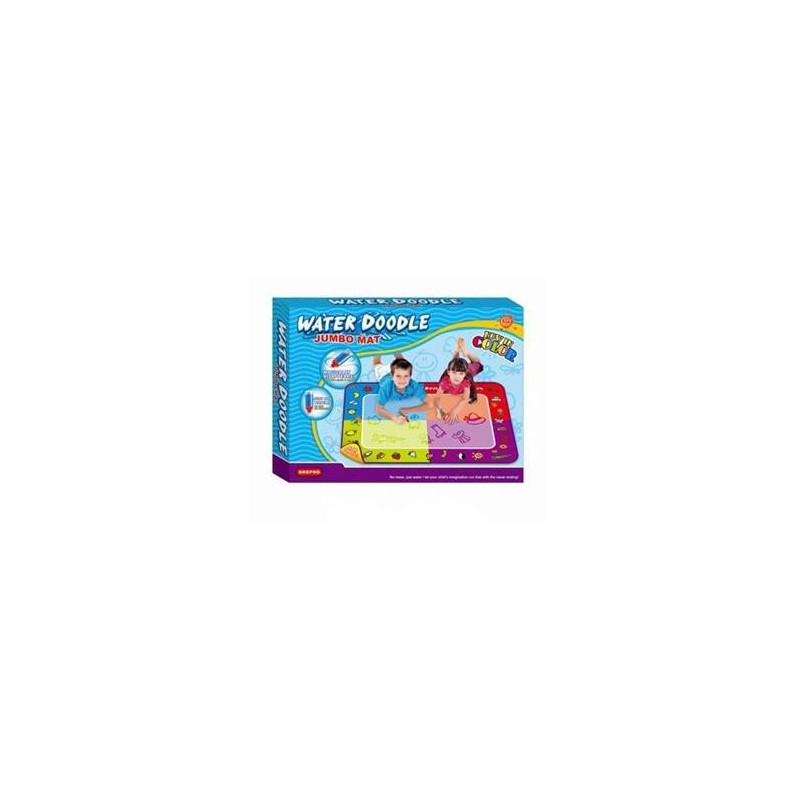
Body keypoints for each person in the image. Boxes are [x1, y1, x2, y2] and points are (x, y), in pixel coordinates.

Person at [401, 337, 483, 422]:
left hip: (467, 370)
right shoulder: (445, 382)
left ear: (464, 374)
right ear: (448, 372)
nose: (457, 377)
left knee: (478, 364)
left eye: (461, 374)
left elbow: (465, 399)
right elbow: (437, 398)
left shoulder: (466, 381)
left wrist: (454, 411)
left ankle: (466, 353)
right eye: (454, 373)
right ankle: (457, 351)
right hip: (455, 369)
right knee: (454, 362)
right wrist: (439, 411)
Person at [373, 354, 427, 424]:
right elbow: (379, 408)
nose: (402, 380)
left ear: (410, 377)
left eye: (406, 376)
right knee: (377, 363)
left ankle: (396, 350)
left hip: (398, 370)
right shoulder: (386, 387)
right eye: (399, 377)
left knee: (403, 362)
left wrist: (407, 410)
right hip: (383, 374)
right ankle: (379, 349)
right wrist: (395, 418)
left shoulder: (414, 385)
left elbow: (429, 403)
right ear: (391, 376)